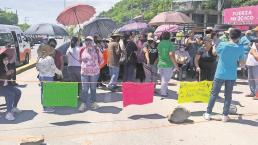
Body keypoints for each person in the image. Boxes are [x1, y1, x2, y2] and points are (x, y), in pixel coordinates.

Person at [203, 28, 245, 122]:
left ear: (229, 36)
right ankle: (225, 116)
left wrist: (214, 45)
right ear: (239, 37)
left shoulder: (223, 45)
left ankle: (208, 113)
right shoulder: (240, 47)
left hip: (220, 73)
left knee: (214, 94)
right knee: (228, 95)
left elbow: (214, 53)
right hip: (231, 75)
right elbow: (242, 64)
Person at [79, 36, 104, 112]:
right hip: (84, 72)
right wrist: (85, 66)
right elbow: (80, 60)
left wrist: (95, 66)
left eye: (90, 41)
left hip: (95, 73)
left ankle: (94, 103)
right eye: (86, 40)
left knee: (93, 88)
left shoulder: (97, 49)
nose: (88, 42)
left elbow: (102, 60)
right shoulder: (82, 49)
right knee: (84, 89)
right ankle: (83, 104)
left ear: (93, 41)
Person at [36, 44, 62, 113]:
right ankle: (48, 107)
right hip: (49, 77)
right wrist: (60, 73)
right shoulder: (50, 59)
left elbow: (37, 68)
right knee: (49, 91)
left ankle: (44, 106)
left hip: (41, 76)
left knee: (43, 91)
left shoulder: (40, 58)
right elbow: (54, 68)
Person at [0, 53, 21, 121]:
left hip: (7, 86)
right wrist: (6, 74)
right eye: (4, 59)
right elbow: (2, 77)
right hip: (1, 87)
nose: (6, 61)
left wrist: (11, 73)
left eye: (7, 59)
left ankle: (13, 107)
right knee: (10, 94)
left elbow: (9, 78)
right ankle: (8, 113)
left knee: (18, 92)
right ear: (1, 60)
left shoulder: (7, 66)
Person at [157, 32, 179, 97]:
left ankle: (165, 90)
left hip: (160, 63)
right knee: (165, 80)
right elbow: (171, 55)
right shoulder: (170, 44)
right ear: (169, 37)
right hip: (168, 64)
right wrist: (176, 65)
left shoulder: (159, 44)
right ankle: (163, 92)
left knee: (163, 79)